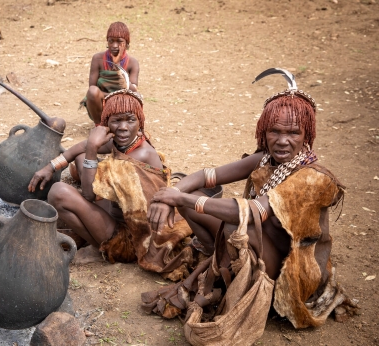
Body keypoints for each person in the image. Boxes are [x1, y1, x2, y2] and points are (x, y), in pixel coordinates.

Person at [145, 68, 358, 329]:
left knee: (237, 225)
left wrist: (183, 200)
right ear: (263, 132)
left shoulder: (311, 178)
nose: (282, 141)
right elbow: (206, 176)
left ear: (307, 135)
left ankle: (242, 283)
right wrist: (174, 195)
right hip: (258, 246)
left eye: (293, 133)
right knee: (196, 196)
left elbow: (252, 211)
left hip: (287, 272)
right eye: (275, 132)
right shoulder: (266, 159)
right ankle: (223, 266)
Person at [30, 90, 193, 278]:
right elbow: (81, 147)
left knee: (59, 192)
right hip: (121, 214)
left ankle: (101, 248)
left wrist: (93, 148)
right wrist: (51, 166)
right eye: (116, 121)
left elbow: (89, 194)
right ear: (106, 124)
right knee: (82, 158)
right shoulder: (129, 141)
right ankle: (94, 235)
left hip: (133, 240)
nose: (123, 127)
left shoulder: (140, 156)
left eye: (130, 120)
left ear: (140, 122)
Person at [79, 22, 140, 125]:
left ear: (127, 43)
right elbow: (92, 89)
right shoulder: (98, 59)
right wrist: (112, 97)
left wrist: (119, 70)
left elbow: (133, 91)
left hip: (123, 103)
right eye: (111, 41)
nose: (114, 45)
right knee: (92, 92)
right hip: (102, 102)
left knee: (136, 97)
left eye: (120, 41)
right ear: (107, 42)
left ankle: (124, 125)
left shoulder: (132, 62)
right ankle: (99, 125)